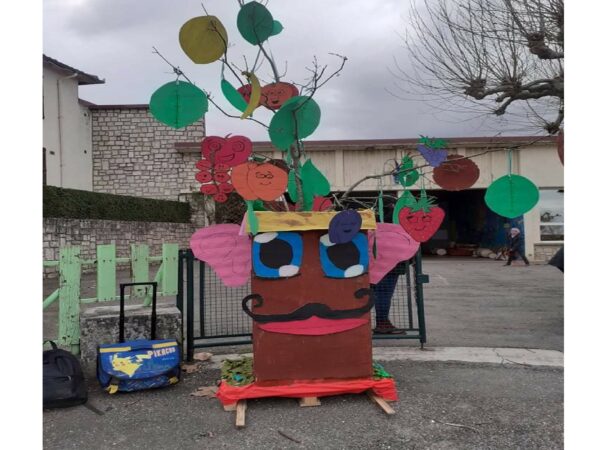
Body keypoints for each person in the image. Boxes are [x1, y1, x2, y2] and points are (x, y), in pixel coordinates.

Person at [372, 262, 407, 334]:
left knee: (382, 293)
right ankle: (382, 323)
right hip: (388, 265)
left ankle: (382, 322)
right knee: (383, 293)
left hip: (383, 265)